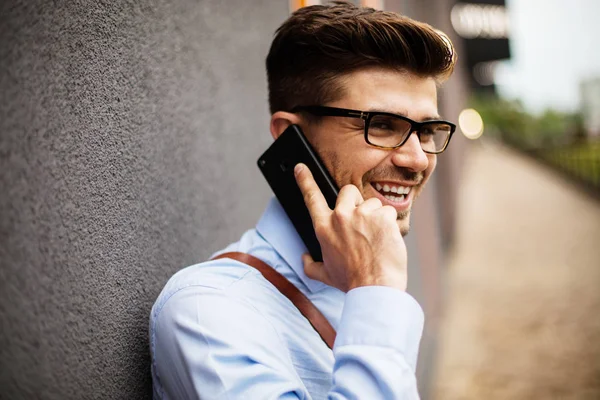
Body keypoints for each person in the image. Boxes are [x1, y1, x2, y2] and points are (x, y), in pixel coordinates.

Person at [150, 1, 456, 398]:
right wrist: (378, 291)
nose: (417, 159)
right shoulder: (209, 312)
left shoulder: (363, 280)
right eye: (381, 125)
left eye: (428, 131)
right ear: (291, 137)